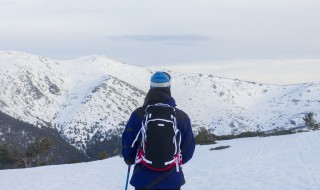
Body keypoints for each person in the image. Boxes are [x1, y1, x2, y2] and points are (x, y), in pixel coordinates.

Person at [122, 71, 195, 190]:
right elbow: (188, 149)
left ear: (151, 88)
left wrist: (129, 159)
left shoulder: (138, 115)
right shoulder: (181, 117)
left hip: (143, 179)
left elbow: (128, 145)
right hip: (172, 180)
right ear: (169, 88)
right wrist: (171, 160)